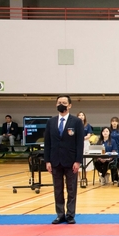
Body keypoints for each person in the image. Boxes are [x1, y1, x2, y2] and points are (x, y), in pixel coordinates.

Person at [44, 95, 84, 225]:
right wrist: (47, 161)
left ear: (70, 105)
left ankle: (70, 215)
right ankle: (60, 214)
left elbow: (80, 143)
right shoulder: (51, 122)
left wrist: (78, 161)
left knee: (71, 189)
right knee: (58, 189)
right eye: (59, 102)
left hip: (71, 161)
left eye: (64, 102)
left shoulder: (76, 122)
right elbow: (47, 142)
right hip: (55, 160)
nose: (61, 104)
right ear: (56, 105)